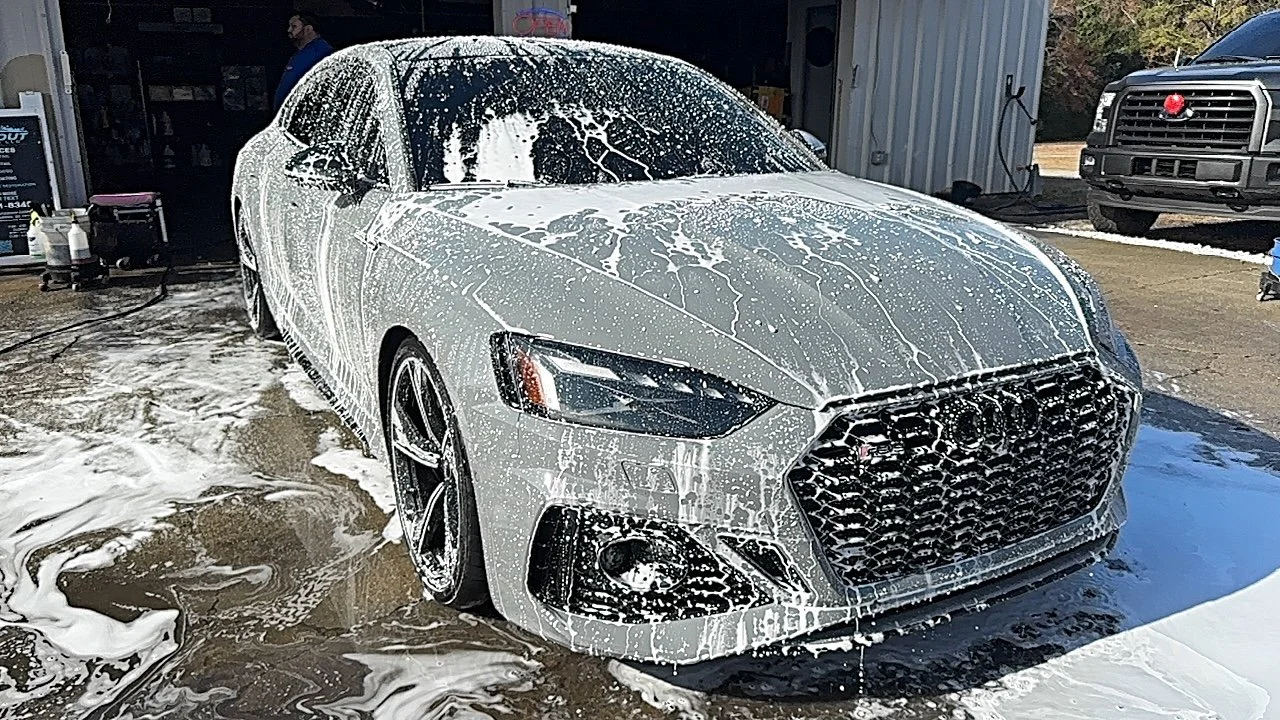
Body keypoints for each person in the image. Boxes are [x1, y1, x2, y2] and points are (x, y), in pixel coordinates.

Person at [273, 13, 334, 110]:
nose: (289, 30)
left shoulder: (321, 52)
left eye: (294, 27)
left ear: (308, 29)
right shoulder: (301, 53)